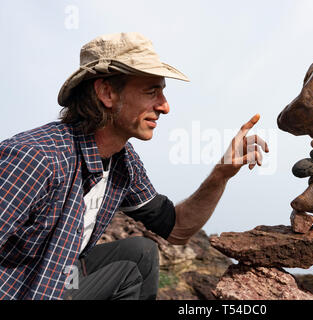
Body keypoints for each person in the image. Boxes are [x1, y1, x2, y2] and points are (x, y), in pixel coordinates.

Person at [0, 32, 269, 300]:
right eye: (152, 92)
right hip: (21, 290)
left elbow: (176, 229)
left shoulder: (124, 162)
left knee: (140, 254)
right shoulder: (35, 157)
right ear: (107, 93)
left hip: (61, 280)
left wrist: (220, 175)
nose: (165, 107)